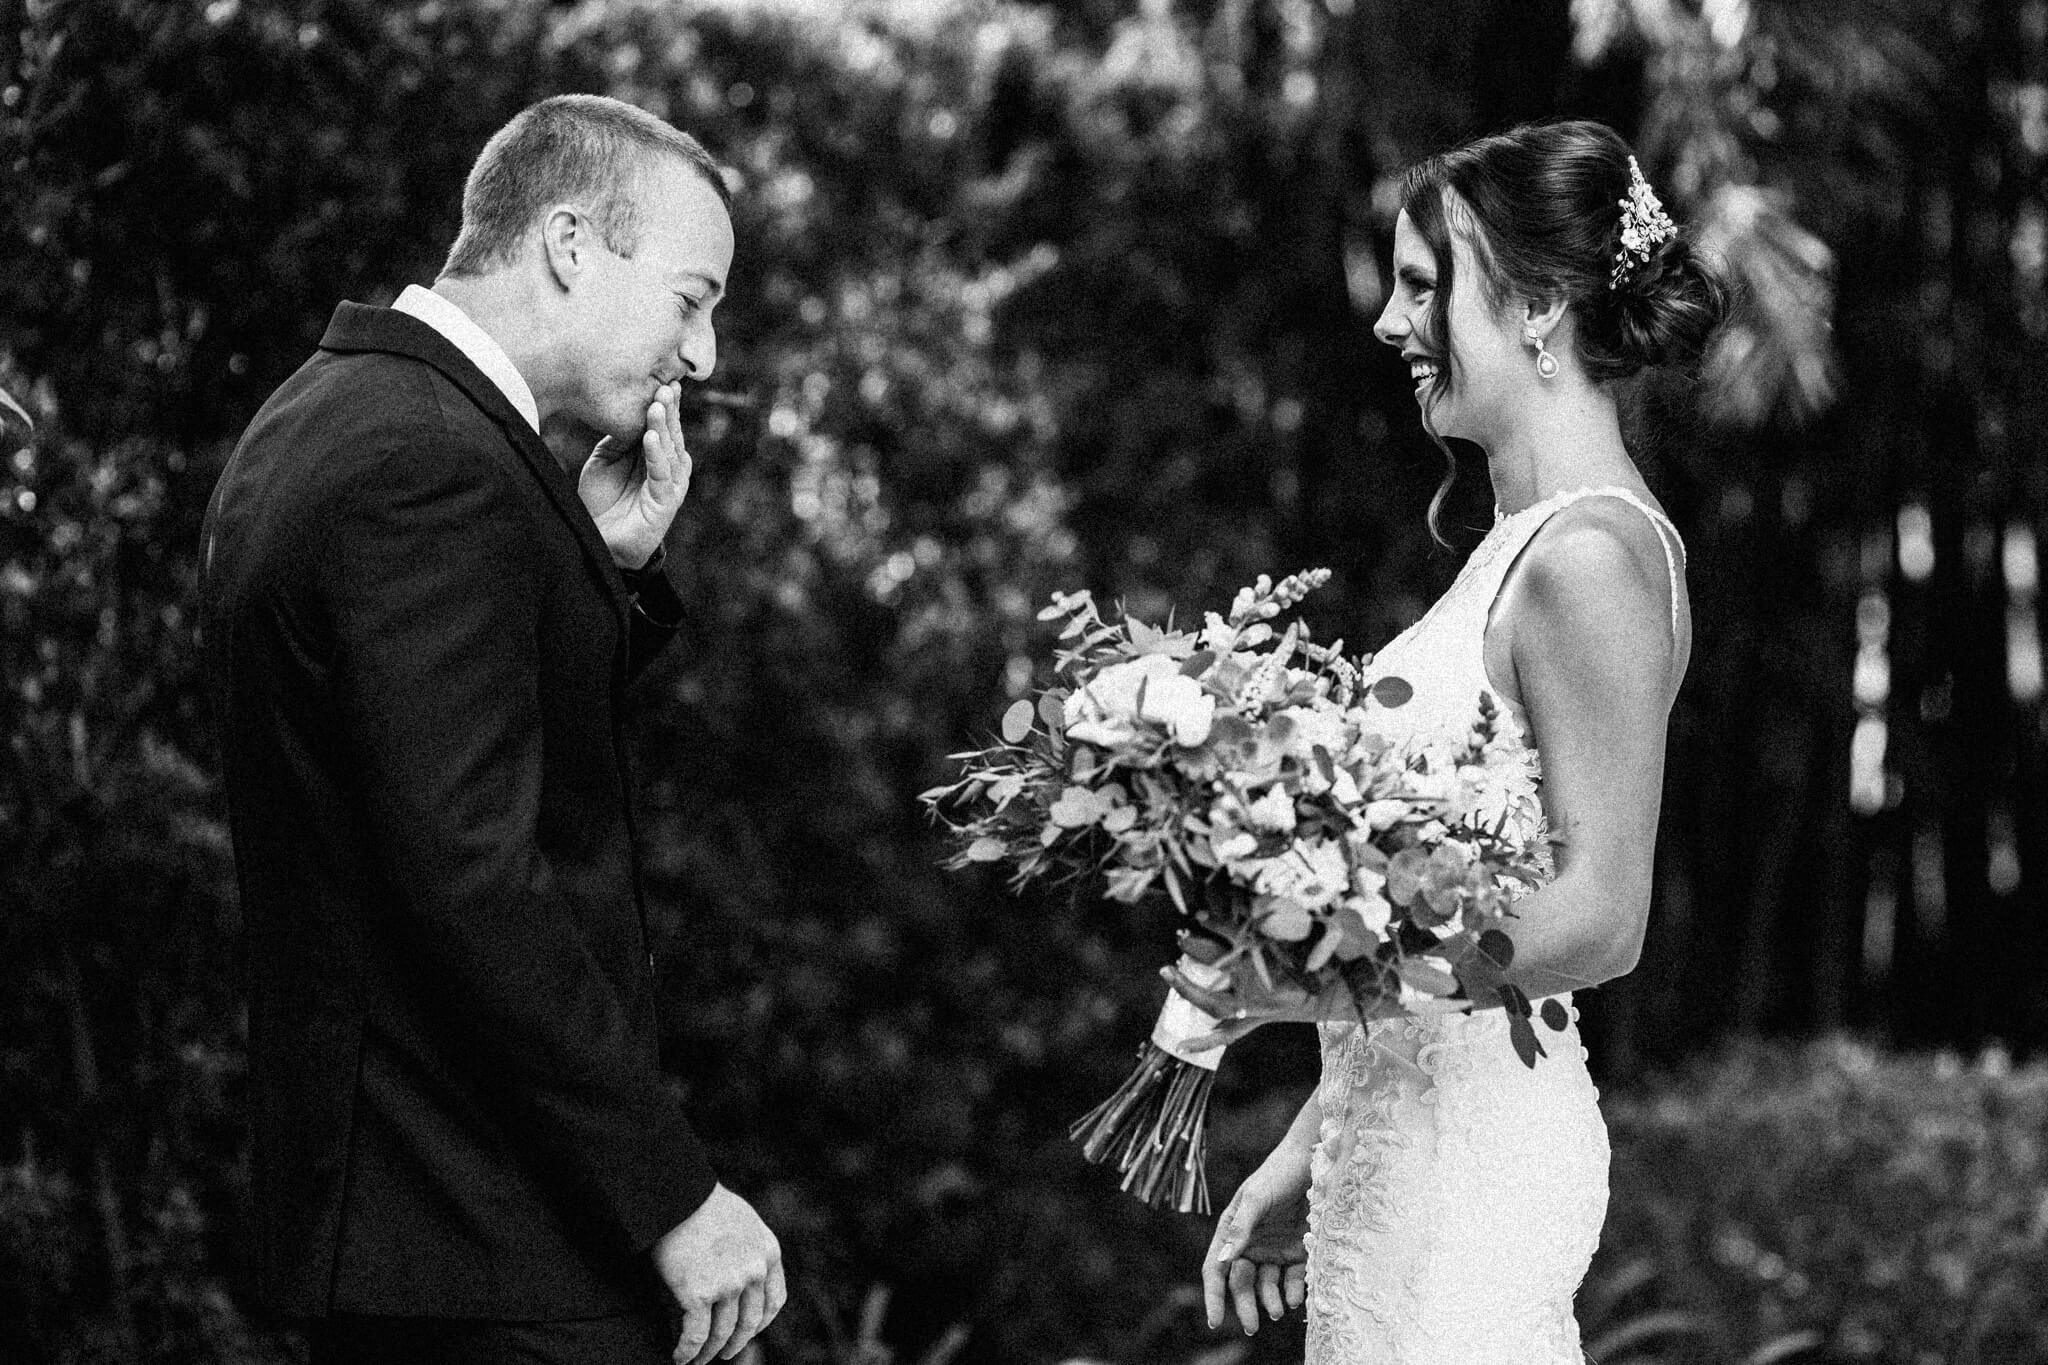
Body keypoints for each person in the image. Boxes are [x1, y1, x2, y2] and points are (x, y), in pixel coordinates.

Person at [200, 94, 783, 1365]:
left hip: (425, 1227)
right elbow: (471, 876)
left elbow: (417, 770)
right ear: (571, 245)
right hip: (475, 1230)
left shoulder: (335, 413)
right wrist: (669, 1192)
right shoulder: (433, 465)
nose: (706, 356)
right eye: (691, 298)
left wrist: (600, 572)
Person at [1184, 120, 1728, 1359]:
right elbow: (1462, 893)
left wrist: (1318, 972)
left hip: (1475, 1183)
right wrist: (1311, 1141)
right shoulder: (1515, 544)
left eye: (1422, 284)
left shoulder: (1588, 558)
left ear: (1536, 307)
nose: (1387, 321)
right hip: (1397, 1160)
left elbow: (1598, 915)